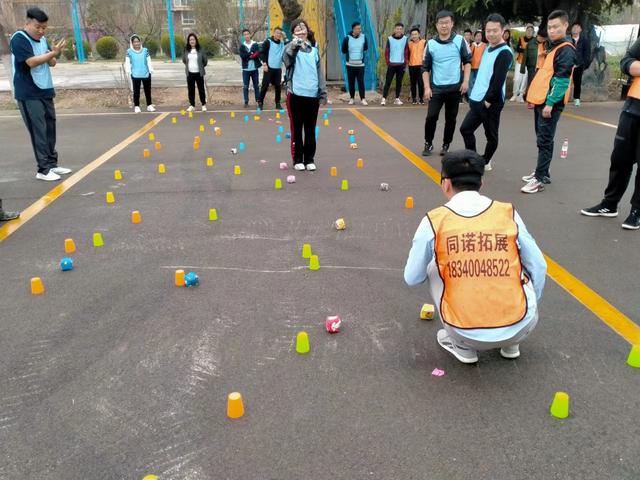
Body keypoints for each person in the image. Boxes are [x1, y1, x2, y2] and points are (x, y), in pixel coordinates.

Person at [404, 150, 547, 364]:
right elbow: (539, 266)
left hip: (464, 332)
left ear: (445, 183)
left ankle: (462, 348)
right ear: (481, 182)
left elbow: (412, 277)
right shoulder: (507, 212)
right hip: (523, 325)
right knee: (517, 261)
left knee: (435, 265)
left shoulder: (434, 220)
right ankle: (511, 342)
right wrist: (527, 304)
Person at [580, 36, 640, 230]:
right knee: (620, 159)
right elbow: (626, 61)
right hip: (633, 108)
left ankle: (636, 211)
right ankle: (609, 204)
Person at [10, 7, 73, 182]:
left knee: (50, 127)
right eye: (38, 27)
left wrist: (55, 53)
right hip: (28, 92)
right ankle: (43, 169)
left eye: (44, 28)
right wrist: (51, 54)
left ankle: (52, 164)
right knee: (38, 130)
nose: (41, 31)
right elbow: (31, 62)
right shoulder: (19, 39)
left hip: (45, 89)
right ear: (27, 23)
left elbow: (51, 63)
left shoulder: (43, 39)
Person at [521, 10, 575, 194]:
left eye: (556, 27)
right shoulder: (553, 47)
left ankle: (539, 179)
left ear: (565, 26)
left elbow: (561, 81)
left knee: (544, 139)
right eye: (550, 27)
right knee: (544, 138)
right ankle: (542, 172)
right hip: (542, 101)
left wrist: (550, 103)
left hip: (550, 103)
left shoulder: (566, 50)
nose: (552, 31)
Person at [460, 14, 513, 172]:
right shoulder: (489, 48)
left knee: (491, 135)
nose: (490, 34)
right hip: (477, 99)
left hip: (491, 102)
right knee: (466, 129)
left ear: (503, 30)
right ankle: (474, 160)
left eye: (494, 30)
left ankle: (485, 161)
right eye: (488, 31)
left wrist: (488, 101)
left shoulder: (505, 52)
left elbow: (498, 80)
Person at [421, 10, 471, 157]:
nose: (444, 26)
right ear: (436, 25)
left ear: (452, 24)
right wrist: (426, 87)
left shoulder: (460, 41)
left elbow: (468, 61)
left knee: (451, 118)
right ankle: (428, 143)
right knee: (431, 117)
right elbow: (425, 68)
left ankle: (446, 145)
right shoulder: (430, 44)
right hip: (436, 88)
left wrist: (466, 81)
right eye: (441, 23)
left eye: (447, 22)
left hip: (455, 87)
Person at [283, 19, 327, 172]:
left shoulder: (314, 50)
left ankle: (309, 159)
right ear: (293, 33)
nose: (301, 31)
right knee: (296, 129)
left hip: (312, 96)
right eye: (297, 29)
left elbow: (320, 74)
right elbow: (287, 60)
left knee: (310, 129)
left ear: (307, 31)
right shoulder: (290, 46)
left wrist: (322, 93)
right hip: (295, 95)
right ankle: (297, 160)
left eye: (303, 29)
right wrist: (295, 45)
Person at [125, 35, 156, 114]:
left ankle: (149, 105)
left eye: (138, 41)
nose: (136, 43)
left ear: (140, 42)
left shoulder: (145, 50)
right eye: (134, 42)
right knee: (136, 91)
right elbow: (127, 62)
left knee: (147, 90)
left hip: (146, 73)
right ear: (132, 43)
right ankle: (137, 106)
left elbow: (148, 60)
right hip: (135, 74)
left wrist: (150, 69)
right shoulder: (129, 51)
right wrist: (128, 71)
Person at [259, 26, 287, 110]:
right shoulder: (268, 42)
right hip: (268, 67)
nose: (278, 34)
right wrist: (264, 64)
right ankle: (260, 102)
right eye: (277, 33)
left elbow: (289, 44)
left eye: (280, 33)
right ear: (274, 33)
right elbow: (262, 53)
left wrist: (285, 37)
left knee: (278, 86)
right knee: (265, 85)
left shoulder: (282, 44)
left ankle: (277, 103)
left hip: (278, 68)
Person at [341, 21, 369, 106]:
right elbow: (344, 50)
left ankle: (363, 99)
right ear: (353, 29)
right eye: (357, 28)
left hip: (360, 65)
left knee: (361, 82)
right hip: (350, 64)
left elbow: (365, 48)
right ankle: (352, 98)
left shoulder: (364, 37)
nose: (359, 30)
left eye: (360, 28)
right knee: (351, 82)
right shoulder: (347, 38)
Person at [381, 22, 409, 106]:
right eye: (397, 29)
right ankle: (383, 98)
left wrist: (405, 62)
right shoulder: (390, 39)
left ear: (402, 30)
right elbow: (387, 52)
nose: (399, 30)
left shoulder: (405, 38)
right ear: (394, 29)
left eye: (400, 29)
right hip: (392, 64)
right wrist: (388, 62)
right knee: (388, 82)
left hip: (401, 64)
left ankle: (397, 98)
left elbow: (406, 51)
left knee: (399, 82)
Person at [182, 33, 208, 112]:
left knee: (201, 89)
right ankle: (192, 105)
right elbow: (184, 60)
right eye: (190, 40)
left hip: (199, 73)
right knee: (191, 90)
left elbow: (205, 61)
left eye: (193, 39)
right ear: (188, 41)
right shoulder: (186, 50)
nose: (192, 41)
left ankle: (203, 104)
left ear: (196, 40)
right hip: (190, 73)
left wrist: (200, 66)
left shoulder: (200, 49)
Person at [511, 25, 535, 102]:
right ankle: (515, 94)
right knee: (517, 79)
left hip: (529, 63)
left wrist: (523, 49)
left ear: (533, 32)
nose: (529, 31)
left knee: (524, 79)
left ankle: (521, 95)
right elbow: (518, 48)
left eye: (531, 30)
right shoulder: (521, 39)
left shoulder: (534, 41)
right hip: (520, 61)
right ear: (526, 31)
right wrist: (526, 50)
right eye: (528, 30)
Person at [239, 29, 261, 108]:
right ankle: (246, 101)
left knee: (256, 86)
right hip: (246, 70)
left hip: (254, 69)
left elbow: (257, 54)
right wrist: (250, 54)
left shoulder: (255, 44)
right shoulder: (242, 46)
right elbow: (243, 57)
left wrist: (251, 55)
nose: (246, 36)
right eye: (244, 34)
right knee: (245, 86)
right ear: (243, 36)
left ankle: (258, 101)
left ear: (250, 34)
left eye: (247, 34)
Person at [571, 22, 590, 107]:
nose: (575, 28)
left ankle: (577, 99)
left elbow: (587, 53)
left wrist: (584, 64)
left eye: (577, 27)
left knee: (577, 82)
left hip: (579, 65)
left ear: (580, 29)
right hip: (568, 64)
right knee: (563, 82)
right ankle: (561, 98)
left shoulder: (584, 40)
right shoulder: (567, 39)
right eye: (574, 27)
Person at [407, 26, 426, 104]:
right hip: (411, 65)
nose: (414, 36)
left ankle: (421, 98)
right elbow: (407, 54)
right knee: (413, 83)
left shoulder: (424, 42)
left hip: (421, 66)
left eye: (415, 34)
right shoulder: (409, 44)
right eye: (412, 34)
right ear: (411, 36)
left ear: (419, 34)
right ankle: (414, 98)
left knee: (421, 83)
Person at [468, 30, 486, 96]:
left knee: (478, 82)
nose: (478, 37)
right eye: (477, 36)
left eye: (480, 36)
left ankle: (477, 96)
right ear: (474, 37)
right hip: (471, 67)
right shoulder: (471, 45)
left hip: (480, 67)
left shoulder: (484, 45)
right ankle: (471, 96)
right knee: (470, 83)